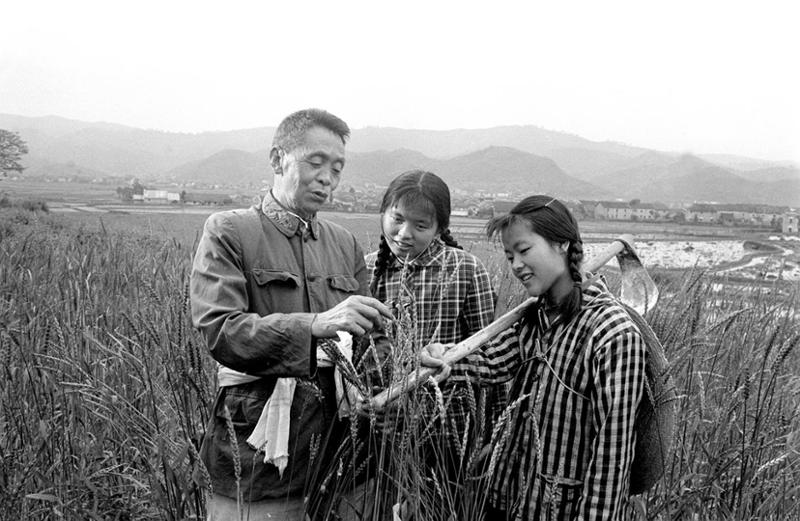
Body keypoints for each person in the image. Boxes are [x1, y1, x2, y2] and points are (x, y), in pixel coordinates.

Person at [190, 109, 445, 520]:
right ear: (277, 159)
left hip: (341, 453)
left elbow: (370, 341)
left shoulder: (343, 244)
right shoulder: (229, 231)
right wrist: (316, 325)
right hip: (255, 451)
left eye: (337, 168)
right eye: (316, 162)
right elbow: (222, 331)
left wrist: (400, 373)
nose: (327, 178)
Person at [438, 195, 646, 520]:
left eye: (524, 250)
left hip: (556, 509)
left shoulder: (612, 333)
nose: (516, 265)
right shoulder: (536, 315)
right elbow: (491, 360)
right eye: (510, 257)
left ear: (561, 243)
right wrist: (444, 358)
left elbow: (612, 456)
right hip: (505, 500)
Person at [360, 170, 504, 519]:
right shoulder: (366, 270)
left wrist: (493, 435)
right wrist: (368, 403)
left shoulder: (466, 270)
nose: (404, 234)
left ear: (440, 228)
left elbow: (488, 354)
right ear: (383, 212)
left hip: (448, 431)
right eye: (397, 219)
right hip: (380, 432)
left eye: (420, 225)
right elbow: (357, 353)